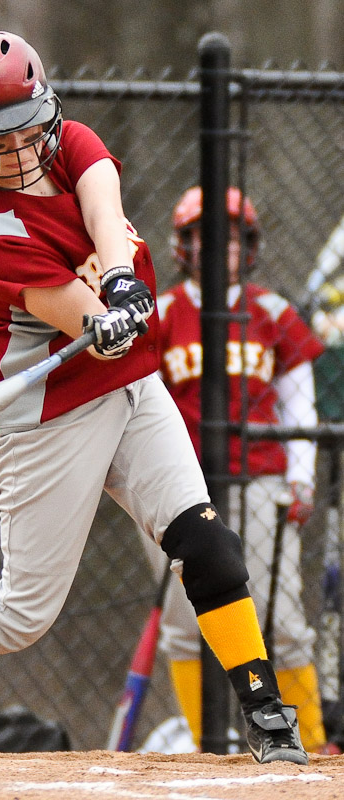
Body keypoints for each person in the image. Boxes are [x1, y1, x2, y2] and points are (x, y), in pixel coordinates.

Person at [0, 32, 308, 764]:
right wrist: (98, 317)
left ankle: (268, 718)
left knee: (208, 548)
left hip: (133, 389)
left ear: (47, 114)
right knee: (21, 616)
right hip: (46, 417)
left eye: (24, 126)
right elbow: (75, 315)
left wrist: (119, 282)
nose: (15, 147)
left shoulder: (74, 143)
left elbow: (105, 215)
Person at [143, 185, 331, 753]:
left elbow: (299, 401)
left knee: (282, 620)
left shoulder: (271, 311)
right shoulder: (165, 314)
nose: (220, 247)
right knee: (184, 623)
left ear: (248, 246)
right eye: (206, 236)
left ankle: (316, 744)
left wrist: (302, 476)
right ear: (185, 246)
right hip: (181, 487)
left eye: (232, 237)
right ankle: (211, 745)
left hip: (261, 480)